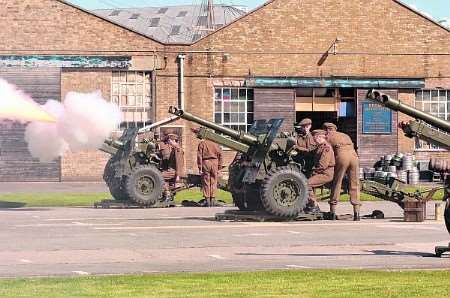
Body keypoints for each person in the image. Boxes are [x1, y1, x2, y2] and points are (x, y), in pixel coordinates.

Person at [323, 122, 361, 221]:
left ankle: (332, 211)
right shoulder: (345, 135)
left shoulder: (328, 137)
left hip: (342, 156)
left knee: (337, 182)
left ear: (327, 129)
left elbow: (325, 152)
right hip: (354, 156)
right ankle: (357, 212)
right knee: (355, 184)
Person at [306, 129, 335, 213]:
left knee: (306, 183)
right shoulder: (320, 147)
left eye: (315, 138)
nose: (314, 140)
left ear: (319, 137)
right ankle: (309, 205)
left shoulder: (326, 148)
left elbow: (323, 165)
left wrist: (313, 172)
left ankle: (314, 206)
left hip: (326, 174)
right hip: (321, 172)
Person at [193, 128, 223, 207]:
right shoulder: (216, 144)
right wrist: (219, 168)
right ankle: (213, 199)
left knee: (206, 181)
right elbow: (220, 156)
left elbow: (199, 156)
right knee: (214, 181)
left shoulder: (202, 144)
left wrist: (200, 168)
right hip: (215, 162)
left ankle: (207, 200)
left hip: (205, 162)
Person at [159, 132, 185, 199]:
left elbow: (179, 163)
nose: (169, 142)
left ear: (173, 141)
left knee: (158, 176)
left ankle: (167, 194)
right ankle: (169, 196)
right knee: (164, 177)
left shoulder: (177, 150)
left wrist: (178, 175)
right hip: (171, 170)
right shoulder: (175, 148)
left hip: (173, 171)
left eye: (170, 141)